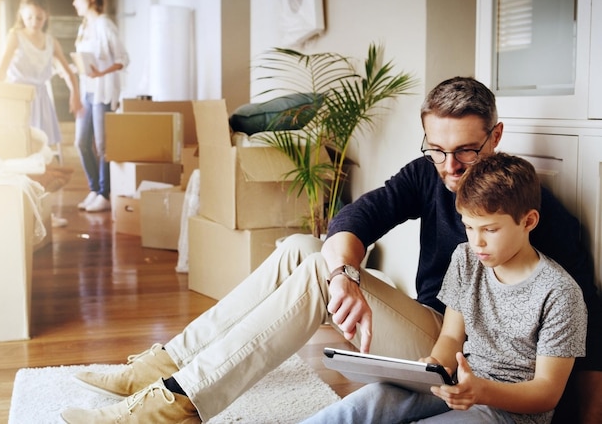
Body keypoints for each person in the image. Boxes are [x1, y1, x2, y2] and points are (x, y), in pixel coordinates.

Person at [61, 77, 602, 424]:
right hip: (439, 336)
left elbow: (585, 325)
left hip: (469, 357)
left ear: (495, 137)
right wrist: (344, 273)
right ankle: (165, 366)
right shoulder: (427, 174)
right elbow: (357, 216)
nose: (450, 168)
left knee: (318, 269)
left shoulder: (537, 218)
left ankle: (174, 406)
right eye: (436, 150)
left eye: (465, 150)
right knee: (304, 249)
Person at [301, 152, 587, 424]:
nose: (478, 243)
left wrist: (481, 391)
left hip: (510, 414)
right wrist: (433, 367)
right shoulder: (466, 258)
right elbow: (451, 335)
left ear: (528, 221)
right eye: (469, 227)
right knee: (368, 401)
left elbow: (547, 393)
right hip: (458, 383)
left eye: (490, 229)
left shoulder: (560, 293)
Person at [0, 0, 83, 228]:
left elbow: (67, 71)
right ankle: (18, 210)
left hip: (41, 100)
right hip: (18, 100)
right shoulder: (15, 37)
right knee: (19, 153)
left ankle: (45, 212)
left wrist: (75, 95)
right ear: (22, 15)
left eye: (40, 18)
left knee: (43, 155)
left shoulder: (51, 41)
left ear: (46, 18)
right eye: (30, 16)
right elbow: (1, 69)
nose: (35, 21)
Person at [72, 0, 129, 212]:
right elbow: (89, 60)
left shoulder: (105, 25)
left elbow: (123, 59)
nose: (74, 3)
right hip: (88, 90)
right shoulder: (84, 27)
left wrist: (100, 72)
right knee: (81, 142)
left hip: (103, 92)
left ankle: (105, 193)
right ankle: (95, 189)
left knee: (103, 144)